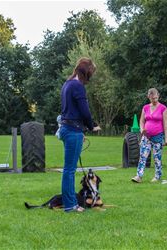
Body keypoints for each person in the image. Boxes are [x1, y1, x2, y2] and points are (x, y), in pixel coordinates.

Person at [59, 57, 101, 212]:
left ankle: (70, 202)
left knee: (68, 169)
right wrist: (91, 127)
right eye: (91, 73)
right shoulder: (78, 87)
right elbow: (85, 111)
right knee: (69, 170)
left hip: (67, 128)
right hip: (72, 131)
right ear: (86, 72)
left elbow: (71, 110)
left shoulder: (67, 84)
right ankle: (70, 205)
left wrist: (82, 129)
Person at [131, 88, 167, 183]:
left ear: (158, 96)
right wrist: (141, 129)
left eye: (156, 98)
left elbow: (165, 124)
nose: (154, 100)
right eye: (152, 98)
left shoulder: (163, 108)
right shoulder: (145, 108)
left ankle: (157, 176)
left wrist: (166, 138)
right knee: (143, 156)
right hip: (146, 136)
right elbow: (141, 121)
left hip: (158, 136)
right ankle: (139, 176)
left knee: (157, 158)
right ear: (149, 97)